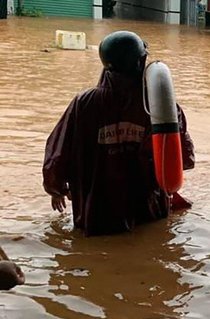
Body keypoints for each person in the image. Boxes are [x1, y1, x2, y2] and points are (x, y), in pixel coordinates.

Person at [43, 31, 195, 236]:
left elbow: (57, 156)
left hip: (96, 214)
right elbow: (183, 159)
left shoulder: (84, 103)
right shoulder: (161, 107)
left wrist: (57, 189)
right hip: (147, 213)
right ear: (142, 62)